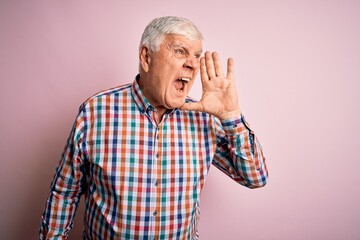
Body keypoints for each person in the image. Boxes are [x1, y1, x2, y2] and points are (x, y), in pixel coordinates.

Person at [40, 16, 268, 239]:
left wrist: (230, 116)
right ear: (146, 56)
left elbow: (255, 177)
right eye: (180, 51)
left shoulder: (204, 119)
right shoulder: (96, 112)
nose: (192, 63)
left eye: (196, 55)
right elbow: (64, 192)